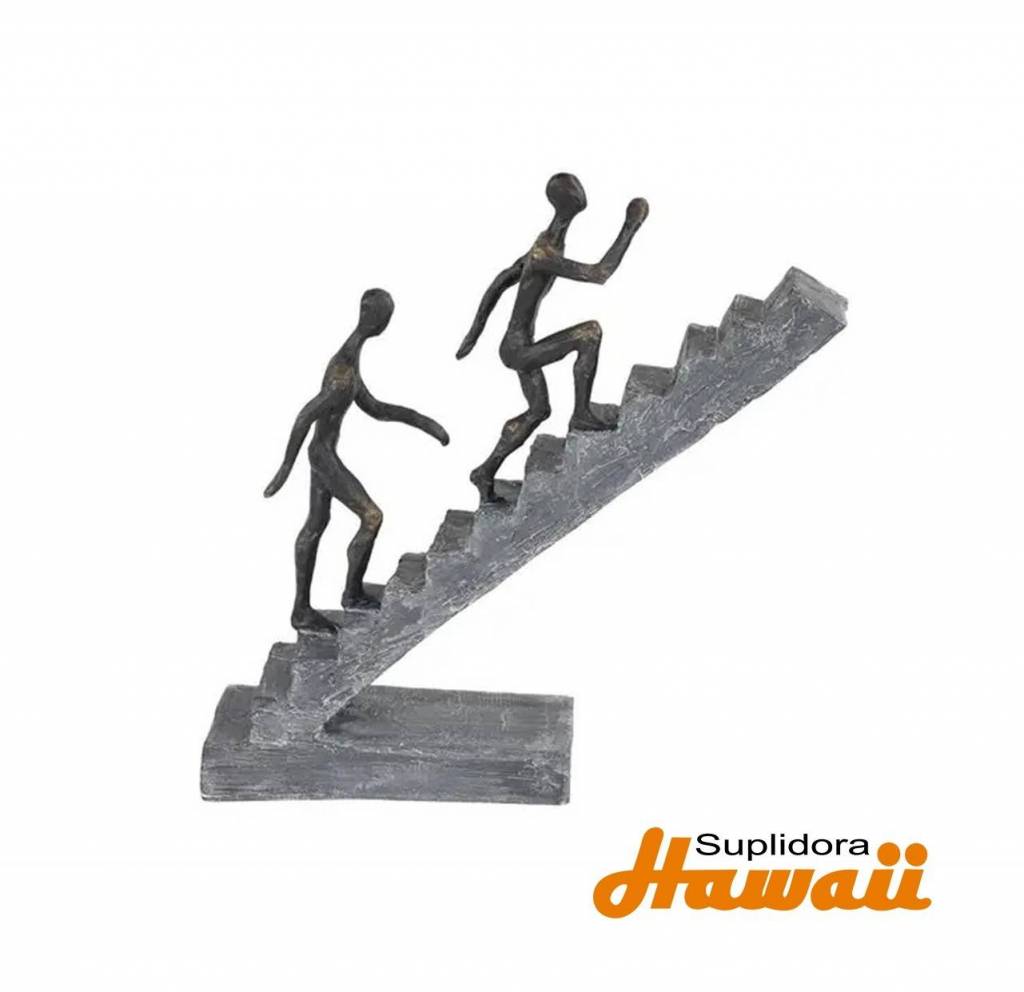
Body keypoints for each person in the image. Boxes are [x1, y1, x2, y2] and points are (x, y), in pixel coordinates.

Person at [264, 289, 449, 632]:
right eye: (384, 317)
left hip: (322, 454)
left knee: (316, 525)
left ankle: (303, 610)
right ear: (372, 318)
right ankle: (350, 594)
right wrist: (284, 470)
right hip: (323, 457)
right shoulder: (342, 374)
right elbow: (305, 416)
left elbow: (375, 408)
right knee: (371, 516)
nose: (385, 323)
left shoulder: (350, 362)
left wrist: (425, 423)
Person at [456, 173, 648, 503]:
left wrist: (474, 333)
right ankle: (582, 414)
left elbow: (502, 280)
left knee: (538, 411)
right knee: (589, 334)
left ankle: (485, 472)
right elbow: (599, 273)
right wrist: (630, 226)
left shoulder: (545, 241)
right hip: (518, 348)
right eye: (576, 192)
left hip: (517, 346)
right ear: (570, 202)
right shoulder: (544, 253)